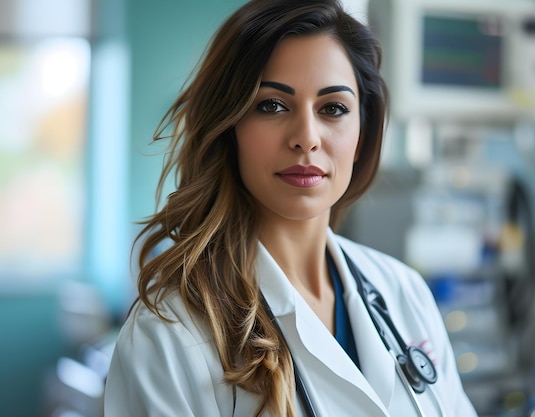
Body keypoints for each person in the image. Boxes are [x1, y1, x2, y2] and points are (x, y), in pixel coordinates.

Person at [104, 0, 478, 416]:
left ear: (363, 133)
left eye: (333, 109)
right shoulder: (171, 335)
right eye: (271, 106)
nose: (306, 137)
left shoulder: (405, 293)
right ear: (231, 130)